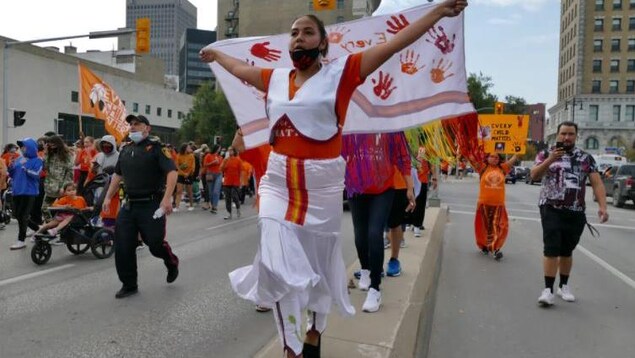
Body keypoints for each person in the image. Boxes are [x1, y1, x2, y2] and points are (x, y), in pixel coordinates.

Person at [201, 2, 468, 356]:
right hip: (279, 180)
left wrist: (437, 13)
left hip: (322, 184)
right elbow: (238, 68)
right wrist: (217, 55)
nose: (299, 38)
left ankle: (314, 328)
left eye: (308, 32)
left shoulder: (343, 73)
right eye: (294, 33)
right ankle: (291, 344)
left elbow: (394, 45)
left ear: (323, 43)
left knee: (318, 264)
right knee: (275, 250)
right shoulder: (274, 79)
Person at [529, 121, 608, 307]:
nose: (566, 137)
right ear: (557, 135)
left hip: (575, 211)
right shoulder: (545, 153)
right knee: (551, 248)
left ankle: (563, 286)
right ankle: (547, 290)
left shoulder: (585, 158)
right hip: (551, 208)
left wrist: (603, 206)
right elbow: (534, 175)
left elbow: (597, 183)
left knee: (566, 251)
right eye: (563, 133)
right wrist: (551, 159)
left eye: (571, 134)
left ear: (576, 136)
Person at [102, 114, 180, 299]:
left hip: (151, 204)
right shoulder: (126, 149)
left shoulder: (157, 148)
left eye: (137, 124)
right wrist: (107, 197)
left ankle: (171, 262)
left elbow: (172, 172)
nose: (133, 126)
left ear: (147, 128)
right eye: (131, 124)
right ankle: (129, 284)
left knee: (154, 244)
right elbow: (117, 176)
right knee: (123, 246)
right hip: (129, 205)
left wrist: (167, 198)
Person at [343, 132, 412, 313]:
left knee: (375, 233)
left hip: (383, 188)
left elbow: (402, 156)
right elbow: (338, 152)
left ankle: (375, 288)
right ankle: (365, 269)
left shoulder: (390, 124)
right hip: (357, 185)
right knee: (360, 234)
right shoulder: (353, 122)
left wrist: (410, 187)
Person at [471, 153, 517, 260]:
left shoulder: (503, 168)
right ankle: (484, 246)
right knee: (485, 227)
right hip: (484, 203)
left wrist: (517, 150)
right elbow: (472, 159)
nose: (495, 159)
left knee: (500, 226)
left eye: (497, 157)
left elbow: (513, 159)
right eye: (492, 156)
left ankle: (496, 249)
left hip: (499, 204)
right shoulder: (483, 167)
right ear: (487, 158)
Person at [8, 138, 43, 250]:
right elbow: (13, 174)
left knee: (23, 215)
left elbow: (37, 175)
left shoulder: (38, 160)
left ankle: (21, 240)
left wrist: (26, 169)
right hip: (17, 190)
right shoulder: (19, 159)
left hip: (29, 191)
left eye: (24, 146)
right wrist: (11, 166)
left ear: (31, 148)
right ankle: (38, 228)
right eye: (21, 146)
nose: (22, 148)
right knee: (18, 215)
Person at [409, 148, 438, 237]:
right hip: (414, 180)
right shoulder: (413, 145)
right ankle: (414, 224)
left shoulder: (427, 147)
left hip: (420, 180)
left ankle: (416, 225)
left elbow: (432, 164)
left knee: (419, 203)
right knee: (415, 203)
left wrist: (434, 178)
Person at [43, 135, 74, 211]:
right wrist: (46, 153)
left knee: (59, 210)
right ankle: (50, 222)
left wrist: (64, 187)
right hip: (50, 187)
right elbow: (45, 167)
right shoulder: (50, 154)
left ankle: (56, 223)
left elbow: (69, 172)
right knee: (44, 209)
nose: (51, 146)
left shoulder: (67, 155)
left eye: (53, 143)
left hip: (61, 187)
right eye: (49, 144)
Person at [220, 146, 242, 220]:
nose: (230, 152)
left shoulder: (238, 160)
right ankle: (229, 213)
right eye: (229, 151)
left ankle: (238, 208)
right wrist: (225, 161)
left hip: (235, 182)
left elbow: (240, 171)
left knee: (234, 196)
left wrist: (241, 181)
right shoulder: (225, 160)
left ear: (234, 151)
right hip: (227, 181)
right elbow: (221, 169)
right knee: (227, 198)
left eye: (231, 150)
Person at [175, 143, 195, 212]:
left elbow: (193, 166)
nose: (190, 149)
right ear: (185, 148)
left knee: (189, 191)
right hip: (181, 175)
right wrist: (183, 173)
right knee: (179, 191)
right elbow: (177, 166)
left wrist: (188, 173)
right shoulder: (179, 155)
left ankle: (191, 205)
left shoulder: (191, 156)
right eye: (188, 147)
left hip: (189, 175)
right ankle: (177, 207)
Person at [203, 144, 223, 214]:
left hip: (219, 174)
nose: (219, 150)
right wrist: (213, 162)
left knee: (216, 191)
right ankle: (212, 204)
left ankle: (215, 206)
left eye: (220, 148)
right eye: (218, 148)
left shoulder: (220, 157)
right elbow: (205, 164)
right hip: (210, 174)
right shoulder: (208, 155)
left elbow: (222, 165)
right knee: (211, 192)